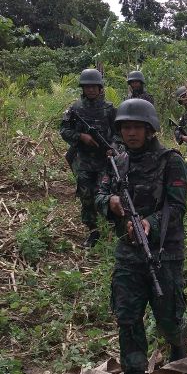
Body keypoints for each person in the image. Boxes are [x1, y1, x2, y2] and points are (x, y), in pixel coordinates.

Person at [95, 98, 187, 374]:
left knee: (169, 318)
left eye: (136, 127)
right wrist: (113, 203)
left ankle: (179, 358)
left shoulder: (170, 161)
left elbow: (176, 207)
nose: (130, 132)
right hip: (128, 256)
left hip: (165, 253)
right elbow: (100, 195)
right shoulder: (116, 162)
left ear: (150, 130)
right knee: (128, 321)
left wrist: (149, 223)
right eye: (125, 127)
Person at [60, 69, 116, 248]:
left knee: (104, 194)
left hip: (104, 161)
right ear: (82, 88)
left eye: (94, 86)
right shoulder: (75, 109)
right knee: (86, 196)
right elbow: (64, 130)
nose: (91, 90)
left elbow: (120, 134)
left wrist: (113, 148)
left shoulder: (110, 109)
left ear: (100, 88)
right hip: (83, 160)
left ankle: (113, 226)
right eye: (87, 87)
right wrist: (81, 137)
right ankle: (93, 230)